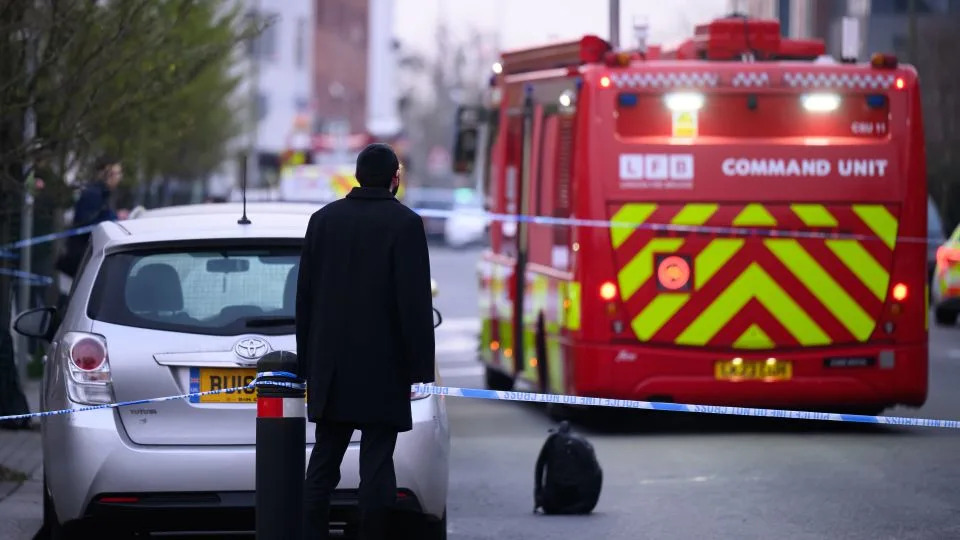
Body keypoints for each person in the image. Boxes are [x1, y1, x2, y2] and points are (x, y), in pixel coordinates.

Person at [297, 143, 436, 539]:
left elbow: (305, 298)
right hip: (384, 368)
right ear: (395, 178)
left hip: (331, 368)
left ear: (357, 176)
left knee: (323, 462)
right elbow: (414, 303)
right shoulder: (405, 224)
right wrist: (419, 370)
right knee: (377, 466)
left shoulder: (322, 221)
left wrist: (307, 365)